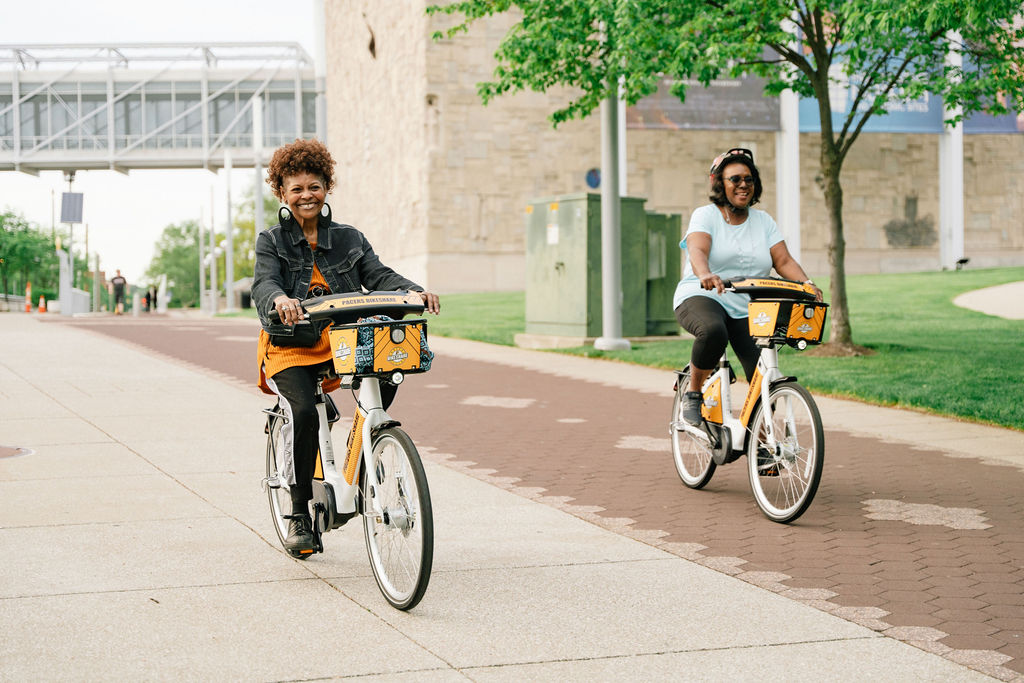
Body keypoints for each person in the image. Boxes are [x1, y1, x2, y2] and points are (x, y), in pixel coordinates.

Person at [251, 138, 441, 554]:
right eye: (296, 188)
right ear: (282, 192)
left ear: (327, 188)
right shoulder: (272, 241)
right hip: (292, 344)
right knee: (303, 410)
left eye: (314, 186)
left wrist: (414, 291)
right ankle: (299, 512)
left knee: (391, 365)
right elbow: (264, 283)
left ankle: (370, 437)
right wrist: (279, 299)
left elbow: (379, 274)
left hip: (342, 340)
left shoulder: (349, 238)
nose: (306, 195)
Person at [674, 147, 822, 426]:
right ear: (719, 184)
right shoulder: (706, 215)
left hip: (747, 307)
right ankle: (693, 393)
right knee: (713, 331)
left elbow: (783, 260)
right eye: (735, 179)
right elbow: (697, 249)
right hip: (703, 294)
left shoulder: (763, 221)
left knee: (764, 374)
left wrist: (807, 284)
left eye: (749, 179)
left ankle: (762, 444)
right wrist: (705, 273)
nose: (744, 185)